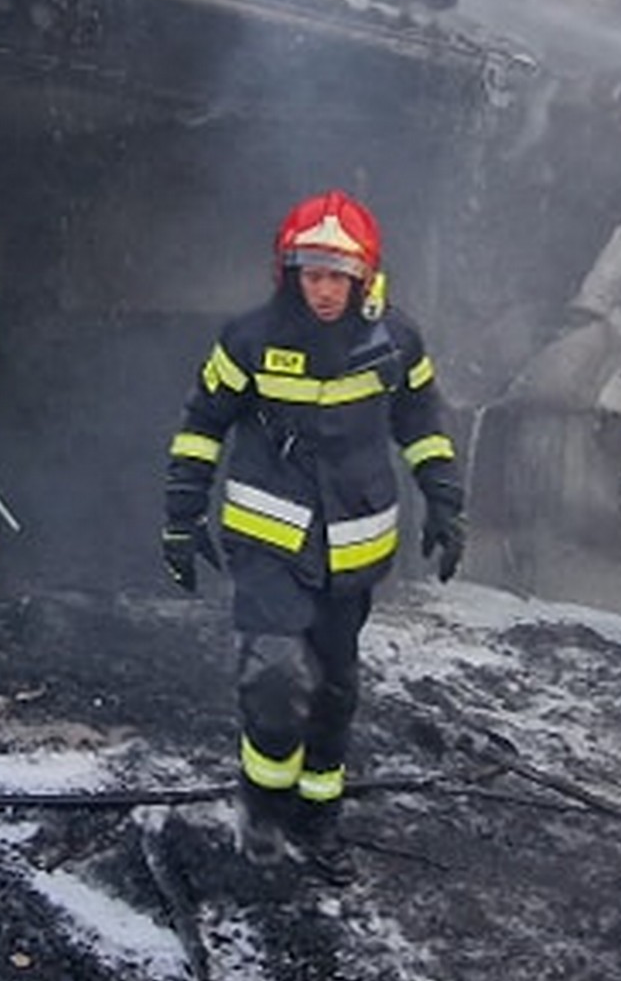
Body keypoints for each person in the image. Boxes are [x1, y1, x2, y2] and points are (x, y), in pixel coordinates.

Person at [161, 189, 467, 872]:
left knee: (334, 689)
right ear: (289, 272)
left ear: (364, 276)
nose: (325, 290)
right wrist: (181, 517)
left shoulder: (396, 339)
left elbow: (420, 421)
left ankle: (318, 819)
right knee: (272, 680)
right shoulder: (248, 340)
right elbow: (201, 425)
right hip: (268, 541)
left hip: (353, 549)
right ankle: (264, 815)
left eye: (337, 276)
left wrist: (445, 502)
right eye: (312, 274)